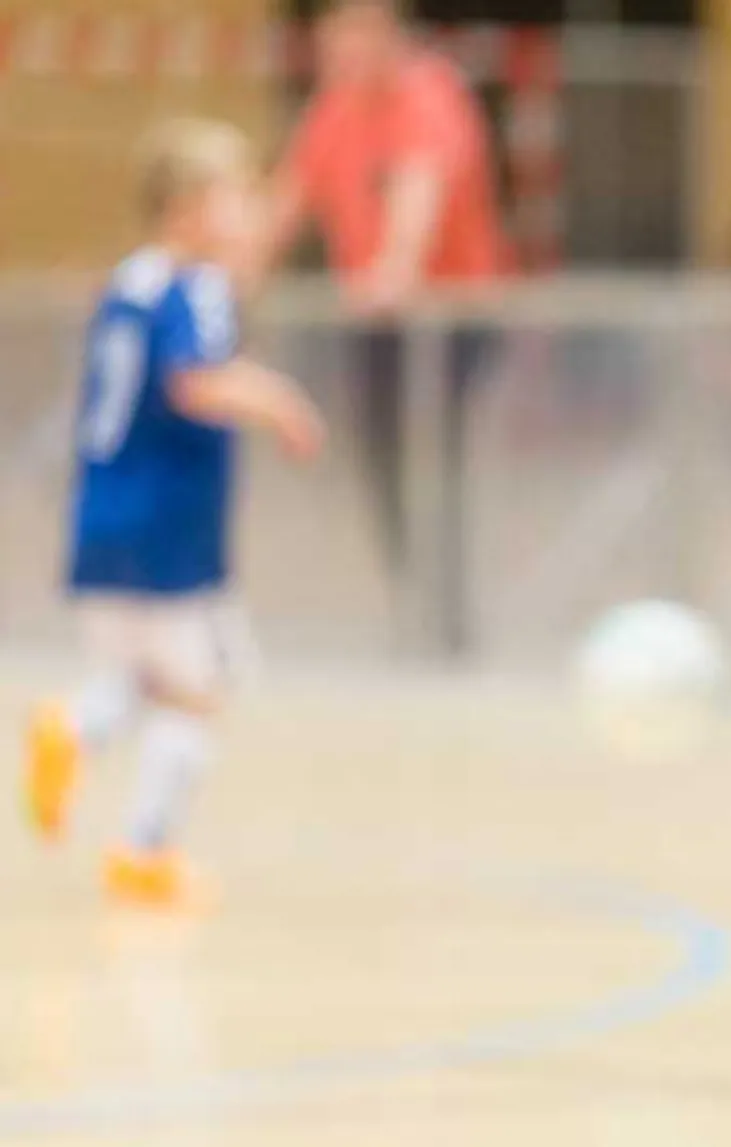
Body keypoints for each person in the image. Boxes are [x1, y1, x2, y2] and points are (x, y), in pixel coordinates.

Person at [22, 119, 326, 906]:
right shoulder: (197, 287)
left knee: (143, 675)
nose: (247, 211)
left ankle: (75, 728)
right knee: (200, 689)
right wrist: (281, 402)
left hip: (101, 514)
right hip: (171, 526)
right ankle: (143, 845)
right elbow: (194, 380)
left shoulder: (131, 281)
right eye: (234, 196)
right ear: (189, 206)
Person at [267, 0, 508, 654]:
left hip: (448, 322)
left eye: (348, 37)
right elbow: (285, 202)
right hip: (375, 327)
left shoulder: (430, 96)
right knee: (381, 467)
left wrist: (396, 267)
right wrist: (222, 278)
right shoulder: (333, 108)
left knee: (435, 462)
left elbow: (418, 190)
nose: (335, 55)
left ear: (383, 32)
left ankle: (450, 620)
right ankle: (415, 604)